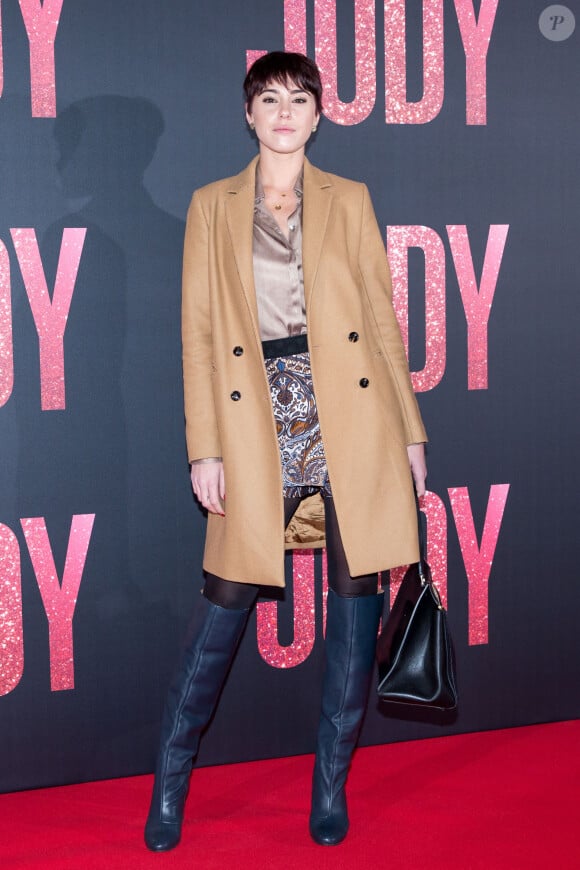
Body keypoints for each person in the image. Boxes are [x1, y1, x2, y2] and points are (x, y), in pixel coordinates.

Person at [144, 51, 427, 852]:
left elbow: (381, 319)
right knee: (224, 606)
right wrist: (205, 447)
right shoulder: (211, 206)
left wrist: (409, 432)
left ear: (317, 114)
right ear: (248, 112)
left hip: (352, 416)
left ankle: (330, 788)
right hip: (253, 421)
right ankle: (169, 786)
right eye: (269, 99)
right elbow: (199, 337)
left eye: (299, 99)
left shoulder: (350, 199)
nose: (284, 112)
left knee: (353, 605)